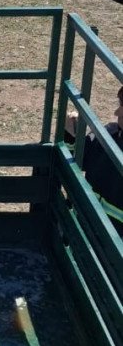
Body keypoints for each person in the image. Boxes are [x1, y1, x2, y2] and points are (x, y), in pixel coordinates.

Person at [65, 84, 123, 237]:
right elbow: (78, 160)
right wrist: (71, 135)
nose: (117, 112)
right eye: (120, 104)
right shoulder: (109, 135)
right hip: (87, 228)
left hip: (113, 247)